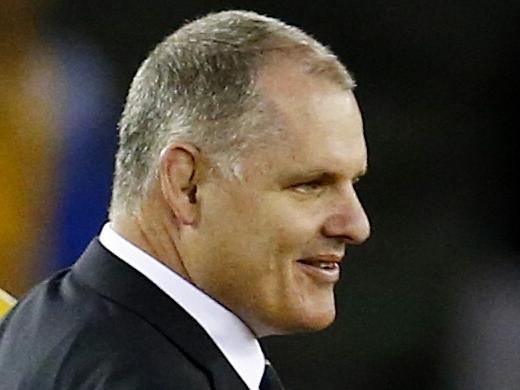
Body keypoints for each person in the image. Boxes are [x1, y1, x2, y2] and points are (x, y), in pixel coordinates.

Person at [0, 10, 370, 389]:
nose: (356, 225)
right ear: (186, 185)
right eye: (310, 185)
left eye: (352, 182)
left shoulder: (36, 323)